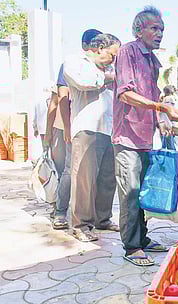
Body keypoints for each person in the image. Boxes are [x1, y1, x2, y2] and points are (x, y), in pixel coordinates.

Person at [112, 6, 178, 266]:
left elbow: (152, 95)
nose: (159, 33)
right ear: (138, 29)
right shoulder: (127, 52)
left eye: (162, 29)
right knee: (130, 192)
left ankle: (142, 239)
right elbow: (125, 94)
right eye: (154, 28)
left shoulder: (153, 60)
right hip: (127, 136)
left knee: (142, 191)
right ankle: (131, 247)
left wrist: (159, 120)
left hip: (144, 135)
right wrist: (162, 108)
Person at [63, 33, 121, 242]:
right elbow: (83, 82)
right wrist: (106, 78)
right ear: (99, 49)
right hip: (87, 127)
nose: (114, 60)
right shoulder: (75, 62)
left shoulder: (111, 69)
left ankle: (102, 219)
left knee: (107, 178)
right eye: (112, 55)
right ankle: (81, 225)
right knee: (84, 179)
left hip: (110, 128)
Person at [45, 28, 103, 229]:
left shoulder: (99, 66)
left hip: (89, 127)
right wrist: (66, 128)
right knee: (70, 171)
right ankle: (60, 213)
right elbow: (61, 98)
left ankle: (87, 215)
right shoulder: (72, 64)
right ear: (90, 46)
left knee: (86, 174)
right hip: (69, 124)